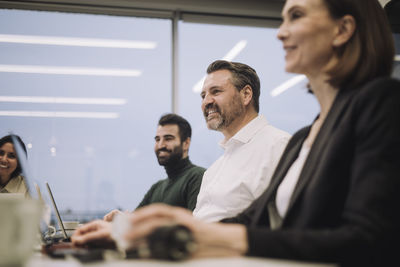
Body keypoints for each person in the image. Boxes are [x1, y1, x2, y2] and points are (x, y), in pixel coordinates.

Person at [72, 0, 400, 266]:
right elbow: (251, 221)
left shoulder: (381, 101)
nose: (280, 32)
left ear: (343, 29)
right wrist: (157, 228)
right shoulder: (304, 138)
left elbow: (371, 240)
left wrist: (192, 231)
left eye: (296, 16)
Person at [193, 60, 290, 222]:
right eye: (203, 95)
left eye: (215, 92)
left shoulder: (279, 146)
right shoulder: (214, 170)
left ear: (246, 95)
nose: (206, 102)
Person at [104, 113, 205, 221]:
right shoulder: (156, 188)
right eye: (157, 139)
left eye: (168, 139)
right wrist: (121, 219)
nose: (161, 145)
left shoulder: (198, 177)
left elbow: (195, 228)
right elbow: (134, 223)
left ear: (186, 143)